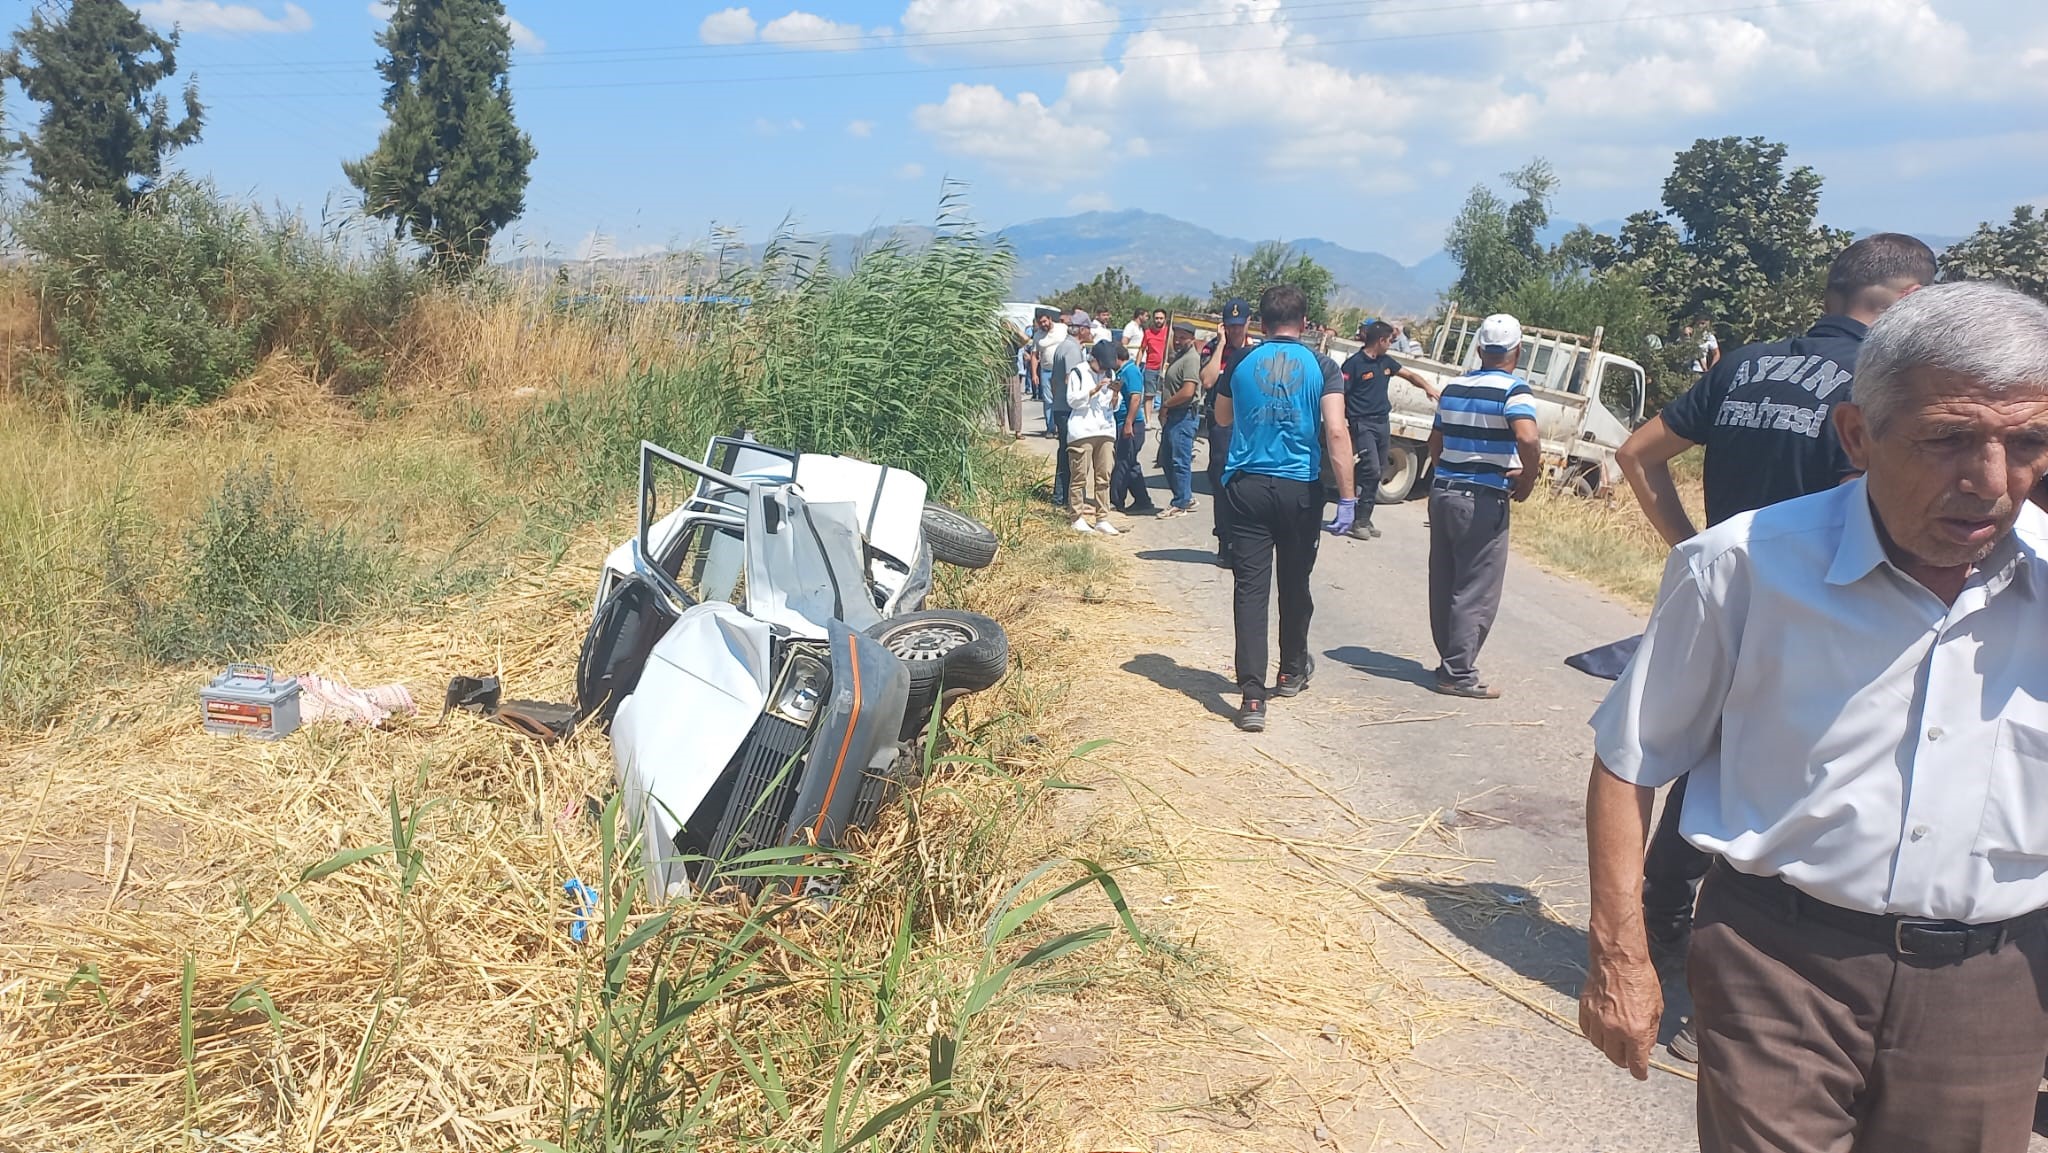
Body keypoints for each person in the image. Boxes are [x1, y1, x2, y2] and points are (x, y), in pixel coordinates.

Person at [1578, 282, 2048, 1153]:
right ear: (1858, 435)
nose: (1992, 483)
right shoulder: (1741, 569)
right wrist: (1622, 956)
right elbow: (1629, 759)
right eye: (1948, 440)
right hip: (1778, 965)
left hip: (1995, 986)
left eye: (2028, 443)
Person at [1613, 233, 1939, 1006]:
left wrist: (1697, 552)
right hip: (1831, 612)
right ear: (1907, 304)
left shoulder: (1745, 363)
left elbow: (1635, 453)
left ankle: (1662, 927)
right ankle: (1740, 978)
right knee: (1793, 799)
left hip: (1733, 601)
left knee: (1703, 759)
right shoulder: (1875, 388)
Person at [1211, 284, 1355, 733]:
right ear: (1305, 323)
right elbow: (1335, 432)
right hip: (1298, 489)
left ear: (1261, 323)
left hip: (1248, 485)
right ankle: (1291, 669)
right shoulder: (1323, 366)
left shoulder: (1240, 360)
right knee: (1295, 582)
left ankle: (1252, 698)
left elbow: (1220, 418)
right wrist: (1348, 497)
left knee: (1250, 590)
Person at [1425, 313, 1539, 700]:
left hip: (1443, 492)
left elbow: (1434, 443)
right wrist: (1528, 476)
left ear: (1479, 348)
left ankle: (1448, 662)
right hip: (1483, 497)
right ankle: (1458, 673)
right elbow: (1527, 436)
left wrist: (1446, 472)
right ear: (1518, 350)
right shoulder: (1515, 391)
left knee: (1444, 580)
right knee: (1476, 587)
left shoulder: (1454, 386)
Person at [1340, 319, 1440, 539]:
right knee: (1371, 468)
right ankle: (1358, 521)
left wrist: (1428, 387)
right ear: (1381, 340)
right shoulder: (1353, 364)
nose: (1391, 345)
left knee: (1379, 469)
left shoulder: (1385, 362)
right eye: (1389, 341)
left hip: (1381, 422)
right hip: (1362, 423)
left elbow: (1410, 375)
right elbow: (1340, 395)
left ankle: (1364, 517)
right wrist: (1341, 423)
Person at [1203, 298, 1255, 567]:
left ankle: (1245, 541)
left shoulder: (1257, 351)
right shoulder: (1213, 349)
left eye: (1239, 325)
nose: (1235, 331)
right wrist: (1222, 345)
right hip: (1222, 424)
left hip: (1249, 424)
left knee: (1247, 483)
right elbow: (1208, 380)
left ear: (1248, 323)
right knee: (1222, 479)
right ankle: (1225, 540)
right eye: (1230, 326)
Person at [1065, 340, 1122, 536]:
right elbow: (1072, 400)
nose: (1105, 369)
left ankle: (1102, 518)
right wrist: (1094, 390)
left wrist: (1115, 395)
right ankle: (1077, 517)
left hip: (1105, 429)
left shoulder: (1110, 373)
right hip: (1082, 430)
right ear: (1093, 359)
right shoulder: (1078, 372)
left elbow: (1113, 405)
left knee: (1104, 476)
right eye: (1102, 365)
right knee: (1079, 476)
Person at [1048, 311, 1094, 508]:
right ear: (1082, 330)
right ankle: (1066, 498)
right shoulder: (1073, 350)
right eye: (1089, 328)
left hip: (1060, 406)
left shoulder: (1063, 346)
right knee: (1072, 454)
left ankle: (1060, 496)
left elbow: (1054, 381)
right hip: (1068, 409)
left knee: (1064, 453)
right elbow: (1071, 379)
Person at [1157, 320, 1203, 519]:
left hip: (1183, 415)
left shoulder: (1191, 359)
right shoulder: (1180, 357)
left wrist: (1166, 405)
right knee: (1167, 459)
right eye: (1176, 336)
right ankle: (1185, 496)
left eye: (1183, 337)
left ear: (1192, 338)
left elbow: (1188, 391)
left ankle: (1181, 502)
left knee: (1179, 461)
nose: (1178, 340)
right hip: (1175, 415)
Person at [1110, 344, 1159, 515]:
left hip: (1131, 424)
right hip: (1122, 421)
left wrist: (1128, 423)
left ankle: (1116, 500)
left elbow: (1136, 398)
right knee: (1130, 464)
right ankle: (1143, 500)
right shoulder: (1120, 372)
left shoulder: (1131, 371)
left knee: (1123, 462)